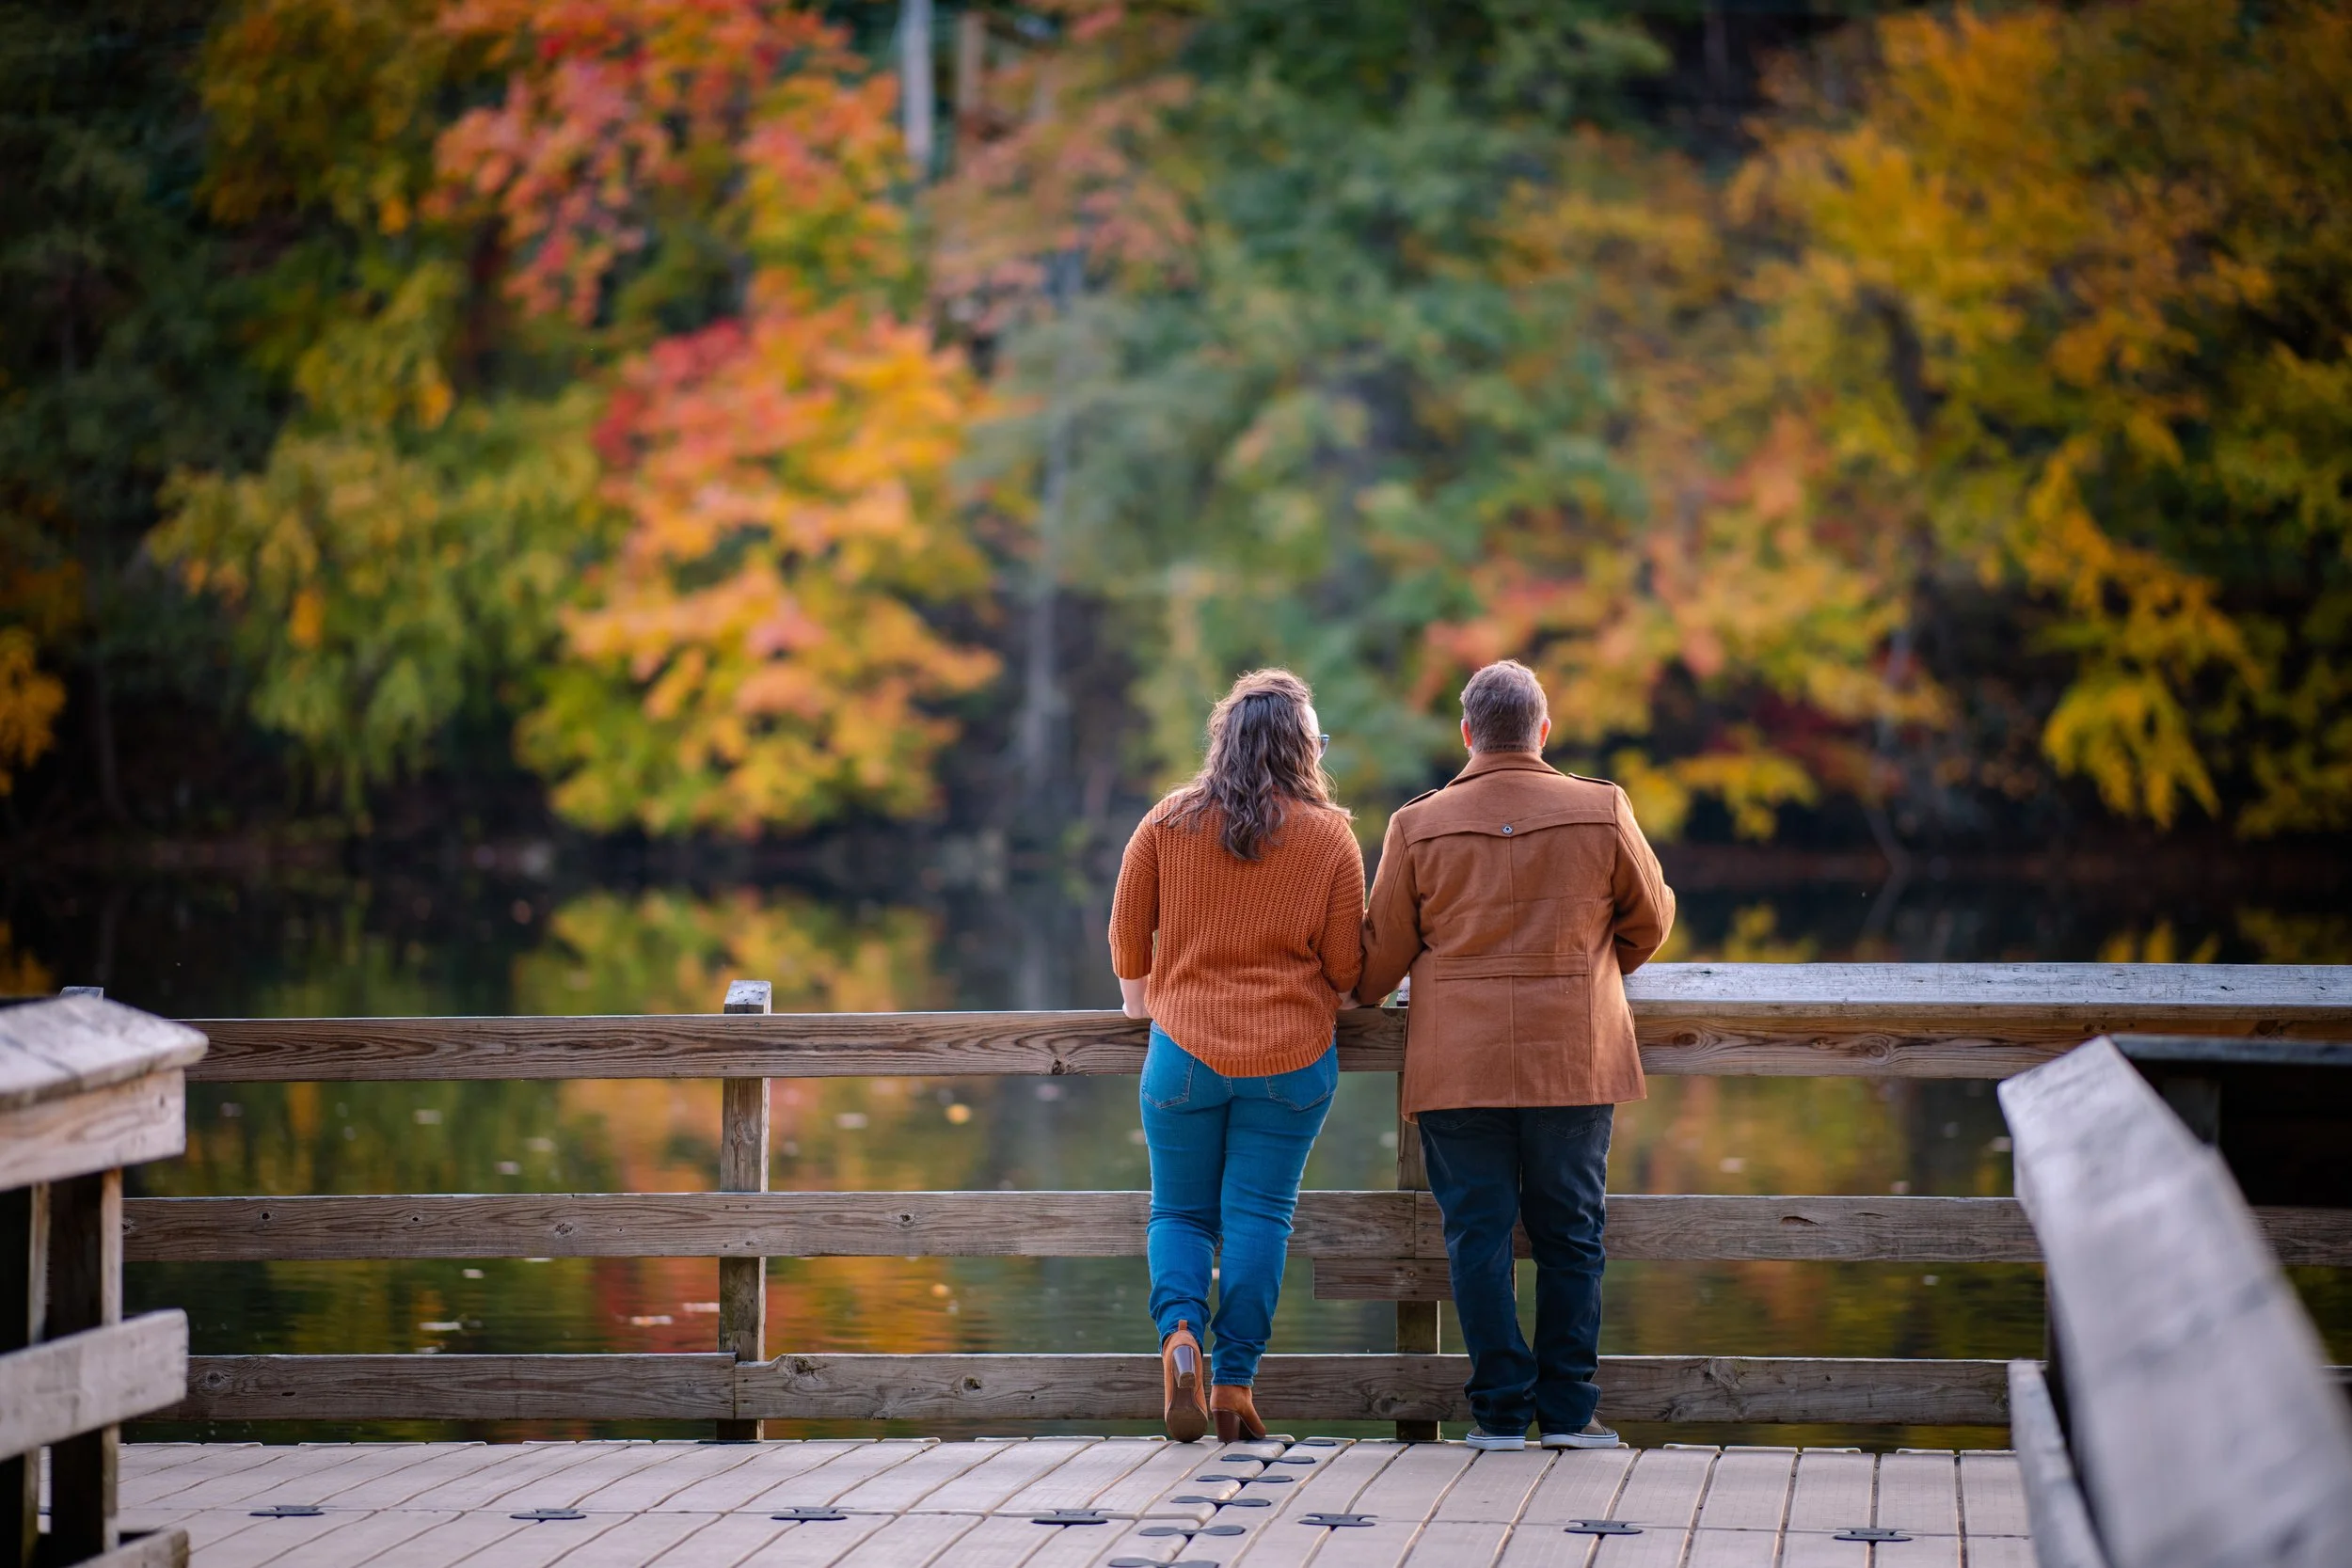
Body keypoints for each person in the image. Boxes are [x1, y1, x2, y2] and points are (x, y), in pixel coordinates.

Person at [1354, 659, 1675, 1451]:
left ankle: (1498, 1411)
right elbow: (1653, 921)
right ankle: (1568, 1413)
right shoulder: (1601, 809)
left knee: (1476, 1235)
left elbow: (1374, 966)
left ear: (1467, 733)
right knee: (1572, 1233)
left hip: (1458, 1065)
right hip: (1573, 1053)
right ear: (1542, 729)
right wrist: (1596, 963)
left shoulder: (1416, 824)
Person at [1110, 669, 1366, 1443]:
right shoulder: (1330, 836)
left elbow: (1127, 934)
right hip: (1291, 1061)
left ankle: (1181, 1333)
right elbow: (1351, 971)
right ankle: (1234, 1383)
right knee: (1260, 1215)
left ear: (1223, 738)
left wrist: (1140, 1000)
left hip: (1181, 1052)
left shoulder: (1167, 821)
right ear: (1303, 749)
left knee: (1181, 1210)